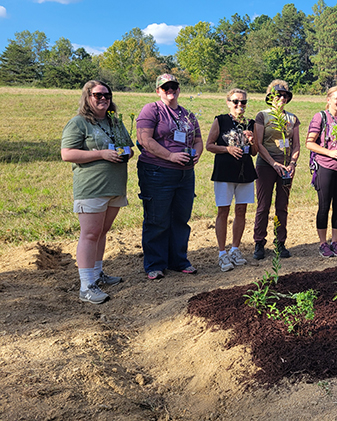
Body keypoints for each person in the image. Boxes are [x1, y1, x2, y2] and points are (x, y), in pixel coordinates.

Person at [61, 80, 133, 304]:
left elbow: (129, 147)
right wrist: (101, 154)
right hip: (92, 187)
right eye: (97, 95)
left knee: (102, 232)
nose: (103, 99)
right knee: (90, 234)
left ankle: (97, 273)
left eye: (107, 95)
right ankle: (86, 286)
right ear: (87, 97)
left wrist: (126, 154)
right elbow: (67, 154)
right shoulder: (79, 123)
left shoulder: (115, 122)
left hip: (114, 186)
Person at [136, 74, 203, 279]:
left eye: (174, 87)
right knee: (157, 219)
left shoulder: (188, 115)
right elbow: (144, 139)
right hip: (157, 171)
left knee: (181, 218)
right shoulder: (152, 109)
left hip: (184, 174)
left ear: (179, 89)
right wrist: (171, 156)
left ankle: (178, 260)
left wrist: (197, 154)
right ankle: (155, 264)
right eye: (165, 88)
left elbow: (198, 139)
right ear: (158, 91)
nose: (170, 90)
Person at [205, 88, 258, 271]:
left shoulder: (250, 123)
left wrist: (252, 141)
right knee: (223, 211)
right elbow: (209, 146)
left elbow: (254, 152)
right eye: (235, 101)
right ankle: (222, 252)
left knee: (241, 210)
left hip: (245, 172)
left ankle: (235, 248)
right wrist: (227, 149)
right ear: (228, 102)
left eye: (243, 102)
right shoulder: (220, 120)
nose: (239, 105)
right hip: (224, 172)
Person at [252, 80, 300, 260]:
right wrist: (273, 163)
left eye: (284, 95)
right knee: (263, 206)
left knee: (282, 206)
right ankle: (259, 242)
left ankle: (280, 242)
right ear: (270, 97)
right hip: (266, 166)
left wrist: (292, 164)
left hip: (286, 168)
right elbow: (259, 143)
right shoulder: (262, 116)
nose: (281, 98)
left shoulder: (292, 119)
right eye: (277, 95)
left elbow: (296, 145)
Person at [306, 86, 337, 257]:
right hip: (325, 167)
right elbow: (309, 143)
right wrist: (330, 153)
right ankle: (322, 243)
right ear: (328, 99)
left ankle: (335, 241)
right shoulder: (320, 117)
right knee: (324, 206)